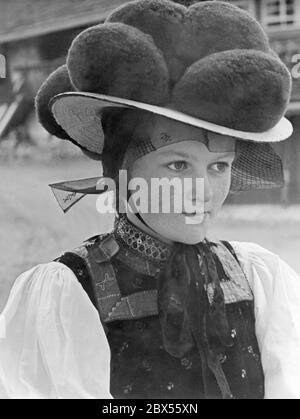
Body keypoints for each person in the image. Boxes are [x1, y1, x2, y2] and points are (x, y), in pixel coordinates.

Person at [0, 0, 299, 399]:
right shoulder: (68, 293)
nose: (203, 191)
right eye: (178, 166)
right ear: (120, 171)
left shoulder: (263, 281)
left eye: (218, 167)